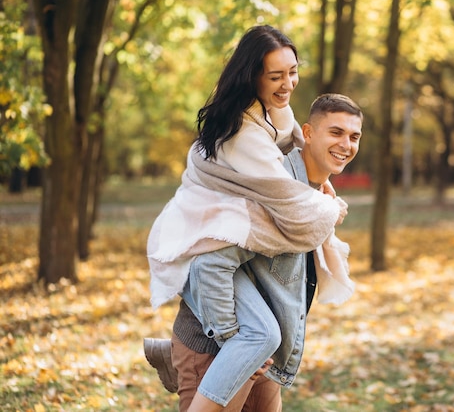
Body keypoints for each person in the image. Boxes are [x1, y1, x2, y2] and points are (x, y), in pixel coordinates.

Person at [146, 25, 356, 411]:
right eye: (275, 76)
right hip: (204, 230)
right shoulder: (243, 134)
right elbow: (286, 198)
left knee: (263, 337)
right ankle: (189, 355)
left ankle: (180, 353)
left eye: (292, 72)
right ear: (252, 76)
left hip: (253, 342)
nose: (288, 84)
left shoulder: (275, 109)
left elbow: (295, 141)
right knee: (260, 335)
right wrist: (329, 208)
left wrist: (318, 185)